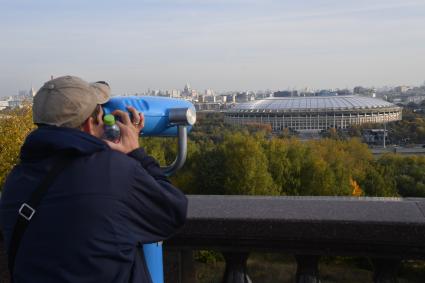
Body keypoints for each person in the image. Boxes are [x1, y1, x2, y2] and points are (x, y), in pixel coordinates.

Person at [0, 75, 188, 282]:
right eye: (101, 115)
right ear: (90, 124)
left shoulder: (15, 182)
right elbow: (172, 212)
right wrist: (136, 153)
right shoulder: (114, 173)